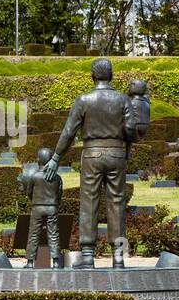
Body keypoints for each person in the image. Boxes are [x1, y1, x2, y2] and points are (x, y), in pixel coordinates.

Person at [43, 57, 138, 269]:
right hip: (116, 154)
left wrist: (56, 158)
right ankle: (118, 256)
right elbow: (132, 130)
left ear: (92, 76)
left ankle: (87, 255)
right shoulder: (123, 100)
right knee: (117, 203)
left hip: (92, 155)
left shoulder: (83, 100)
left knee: (89, 202)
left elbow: (69, 132)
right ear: (112, 76)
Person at [17, 147, 63, 269]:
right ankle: (56, 262)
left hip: (37, 208)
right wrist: (54, 204)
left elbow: (29, 192)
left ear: (39, 160)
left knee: (33, 234)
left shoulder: (35, 177)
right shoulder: (57, 178)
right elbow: (59, 194)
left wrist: (35, 202)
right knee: (53, 234)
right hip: (52, 208)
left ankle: (30, 262)